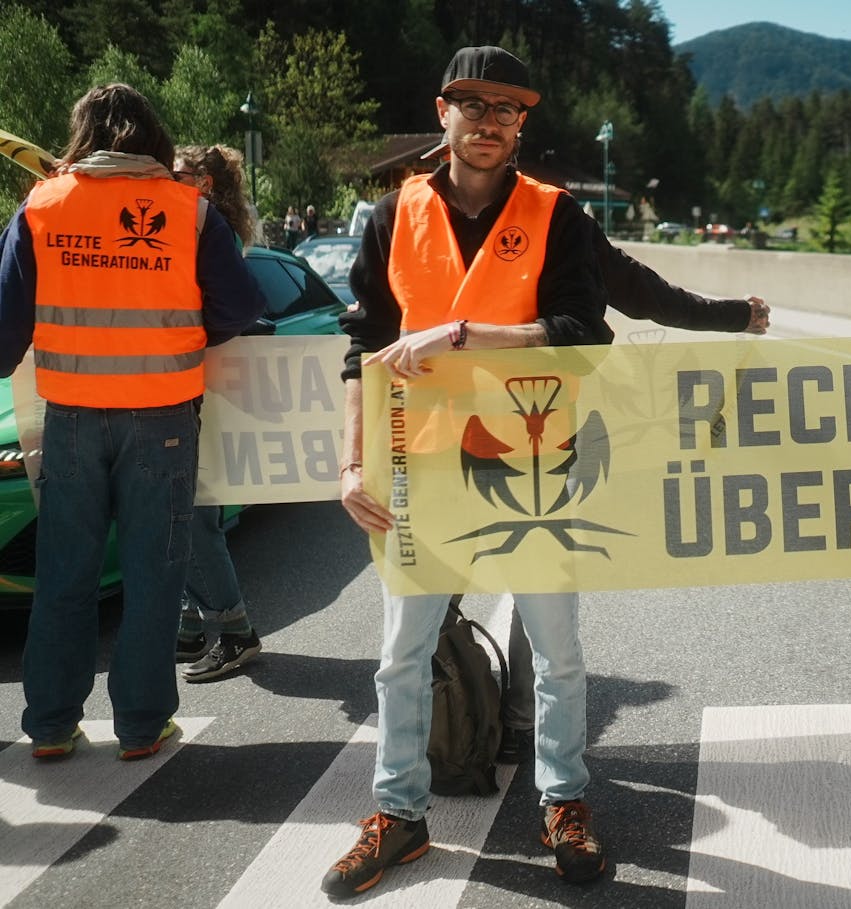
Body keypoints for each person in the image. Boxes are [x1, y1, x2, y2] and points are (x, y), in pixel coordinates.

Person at [325, 46, 614, 899]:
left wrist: (464, 334)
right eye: (475, 105)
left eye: (509, 110)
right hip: (420, 466)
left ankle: (562, 800)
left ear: (521, 126)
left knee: (557, 655)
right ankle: (399, 815)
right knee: (401, 657)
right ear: (442, 112)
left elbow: (585, 334)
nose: (491, 122)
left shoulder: (558, 215)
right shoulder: (389, 217)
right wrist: (349, 465)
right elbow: (360, 355)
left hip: (536, 462)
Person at [0, 84, 264, 761]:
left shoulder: (42, 206)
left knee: (65, 572)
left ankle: (53, 725)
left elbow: (3, 336)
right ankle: (142, 725)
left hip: (71, 422)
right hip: (163, 421)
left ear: (80, 134)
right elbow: (239, 307)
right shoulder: (190, 211)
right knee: (154, 574)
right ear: (154, 138)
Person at [498, 244, 768, 762]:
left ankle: (485, 722)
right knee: (514, 578)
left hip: (516, 428)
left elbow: (646, 293)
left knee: (504, 579)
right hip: (482, 428)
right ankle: (483, 722)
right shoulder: (419, 213)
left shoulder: (551, 215)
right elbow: (648, 294)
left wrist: (733, 315)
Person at [170, 145, 264, 682]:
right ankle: (188, 625)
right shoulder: (202, 228)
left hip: (197, 388)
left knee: (195, 515)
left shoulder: (209, 233)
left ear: (203, 183)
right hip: (189, 387)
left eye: (176, 175)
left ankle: (234, 632)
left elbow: (226, 309)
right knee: (181, 512)